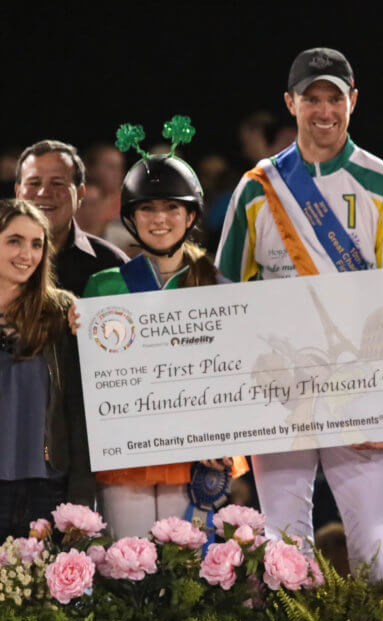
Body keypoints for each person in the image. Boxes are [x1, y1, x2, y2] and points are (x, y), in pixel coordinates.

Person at [216, 47, 383, 579]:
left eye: (335, 98)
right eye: (312, 98)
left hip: (361, 388)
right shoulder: (256, 189)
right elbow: (223, 299)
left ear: (353, 101)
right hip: (280, 391)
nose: (324, 110)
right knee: (284, 543)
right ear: (291, 102)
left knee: (375, 546)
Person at [76, 118, 246, 538]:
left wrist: (225, 437)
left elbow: (235, 373)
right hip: (128, 450)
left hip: (196, 454)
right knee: (129, 568)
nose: (159, 219)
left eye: (172, 207)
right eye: (147, 208)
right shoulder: (104, 286)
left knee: (187, 576)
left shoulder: (218, 285)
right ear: (131, 217)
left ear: (190, 214)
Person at [0, 199, 94, 540]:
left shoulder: (62, 312)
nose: (27, 254)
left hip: (46, 489)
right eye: (14, 241)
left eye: (36, 244)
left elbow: (78, 410)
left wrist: (81, 497)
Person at [15, 140, 127, 296]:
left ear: (80, 193)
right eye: (34, 183)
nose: (43, 193)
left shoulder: (114, 264)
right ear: (18, 192)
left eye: (57, 183)